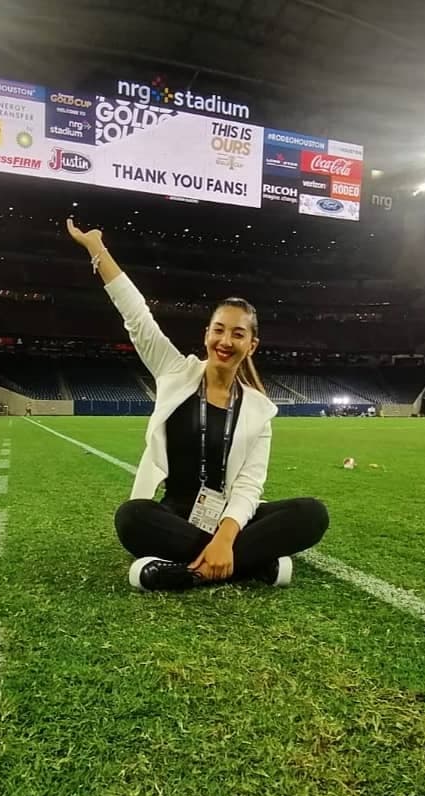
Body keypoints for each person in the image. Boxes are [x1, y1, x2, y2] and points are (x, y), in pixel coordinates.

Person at [66, 218, 329, 592]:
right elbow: (137, 316)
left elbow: (249, 487)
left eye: (238, 334)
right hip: (176, 516)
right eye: (219, 329)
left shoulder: (258, 410)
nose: (225, 340)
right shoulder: (175, 372)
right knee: (131, 517)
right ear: (206, 334)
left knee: (311, 514)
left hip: (231, 521)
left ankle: (184, 572)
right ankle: (257, 566)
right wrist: (97, 249)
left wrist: (225, 537)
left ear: (251, 345)